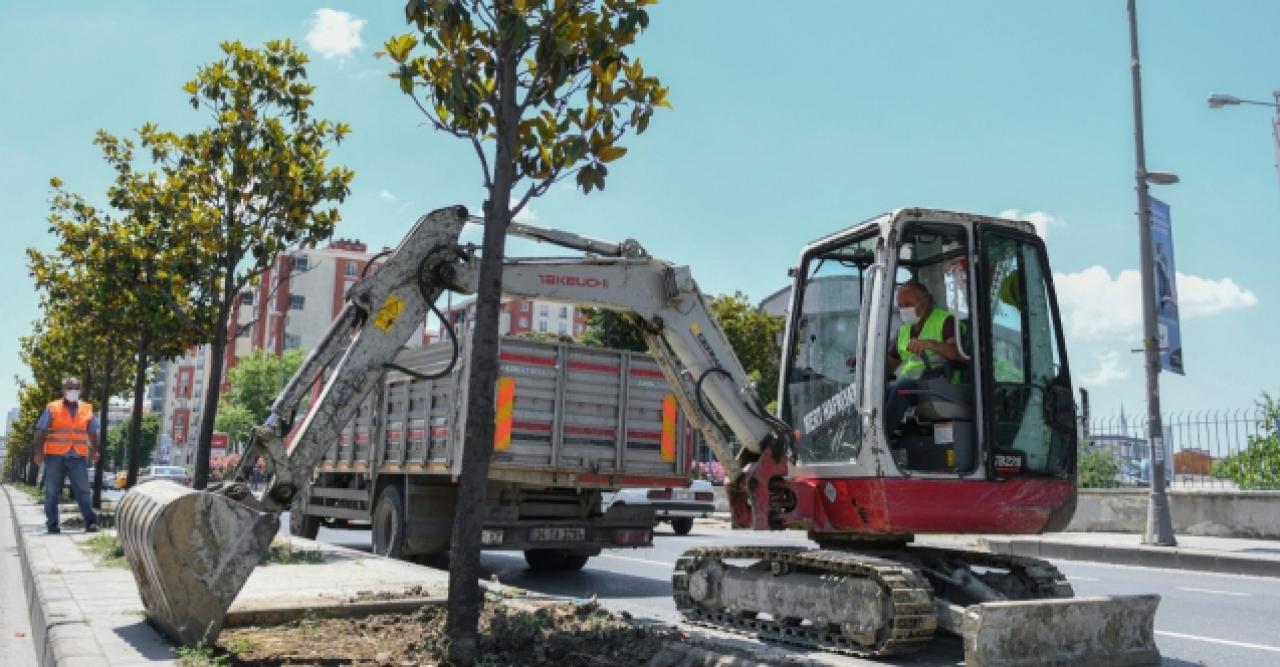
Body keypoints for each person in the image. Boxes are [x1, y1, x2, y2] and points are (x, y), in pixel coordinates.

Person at [884, 282, 965, 435]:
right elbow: (890, 363)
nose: (904, 309)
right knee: (881, 391)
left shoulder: (946, 321)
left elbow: (959, 354)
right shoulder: (904, 330)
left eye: (908, 304)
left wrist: (930, 344)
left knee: (902, 387)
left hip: (940, 384)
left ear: (925, 301)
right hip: (914, 385)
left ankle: (881, 436)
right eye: (900, 305)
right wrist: (865, 365)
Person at [33, 377, 100, 534]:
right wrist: (38, 451)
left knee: (83, 490)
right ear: (63, 390)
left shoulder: (87, 408)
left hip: (77, 456)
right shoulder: (52, 408)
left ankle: (90, 522)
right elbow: (41, 430)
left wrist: (95, 449)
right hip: (55, 456)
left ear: (80, 390)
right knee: (52, 492)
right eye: (70, 388)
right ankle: (52, 523)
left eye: (76, 388)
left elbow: (92, 432)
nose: (73, 391)